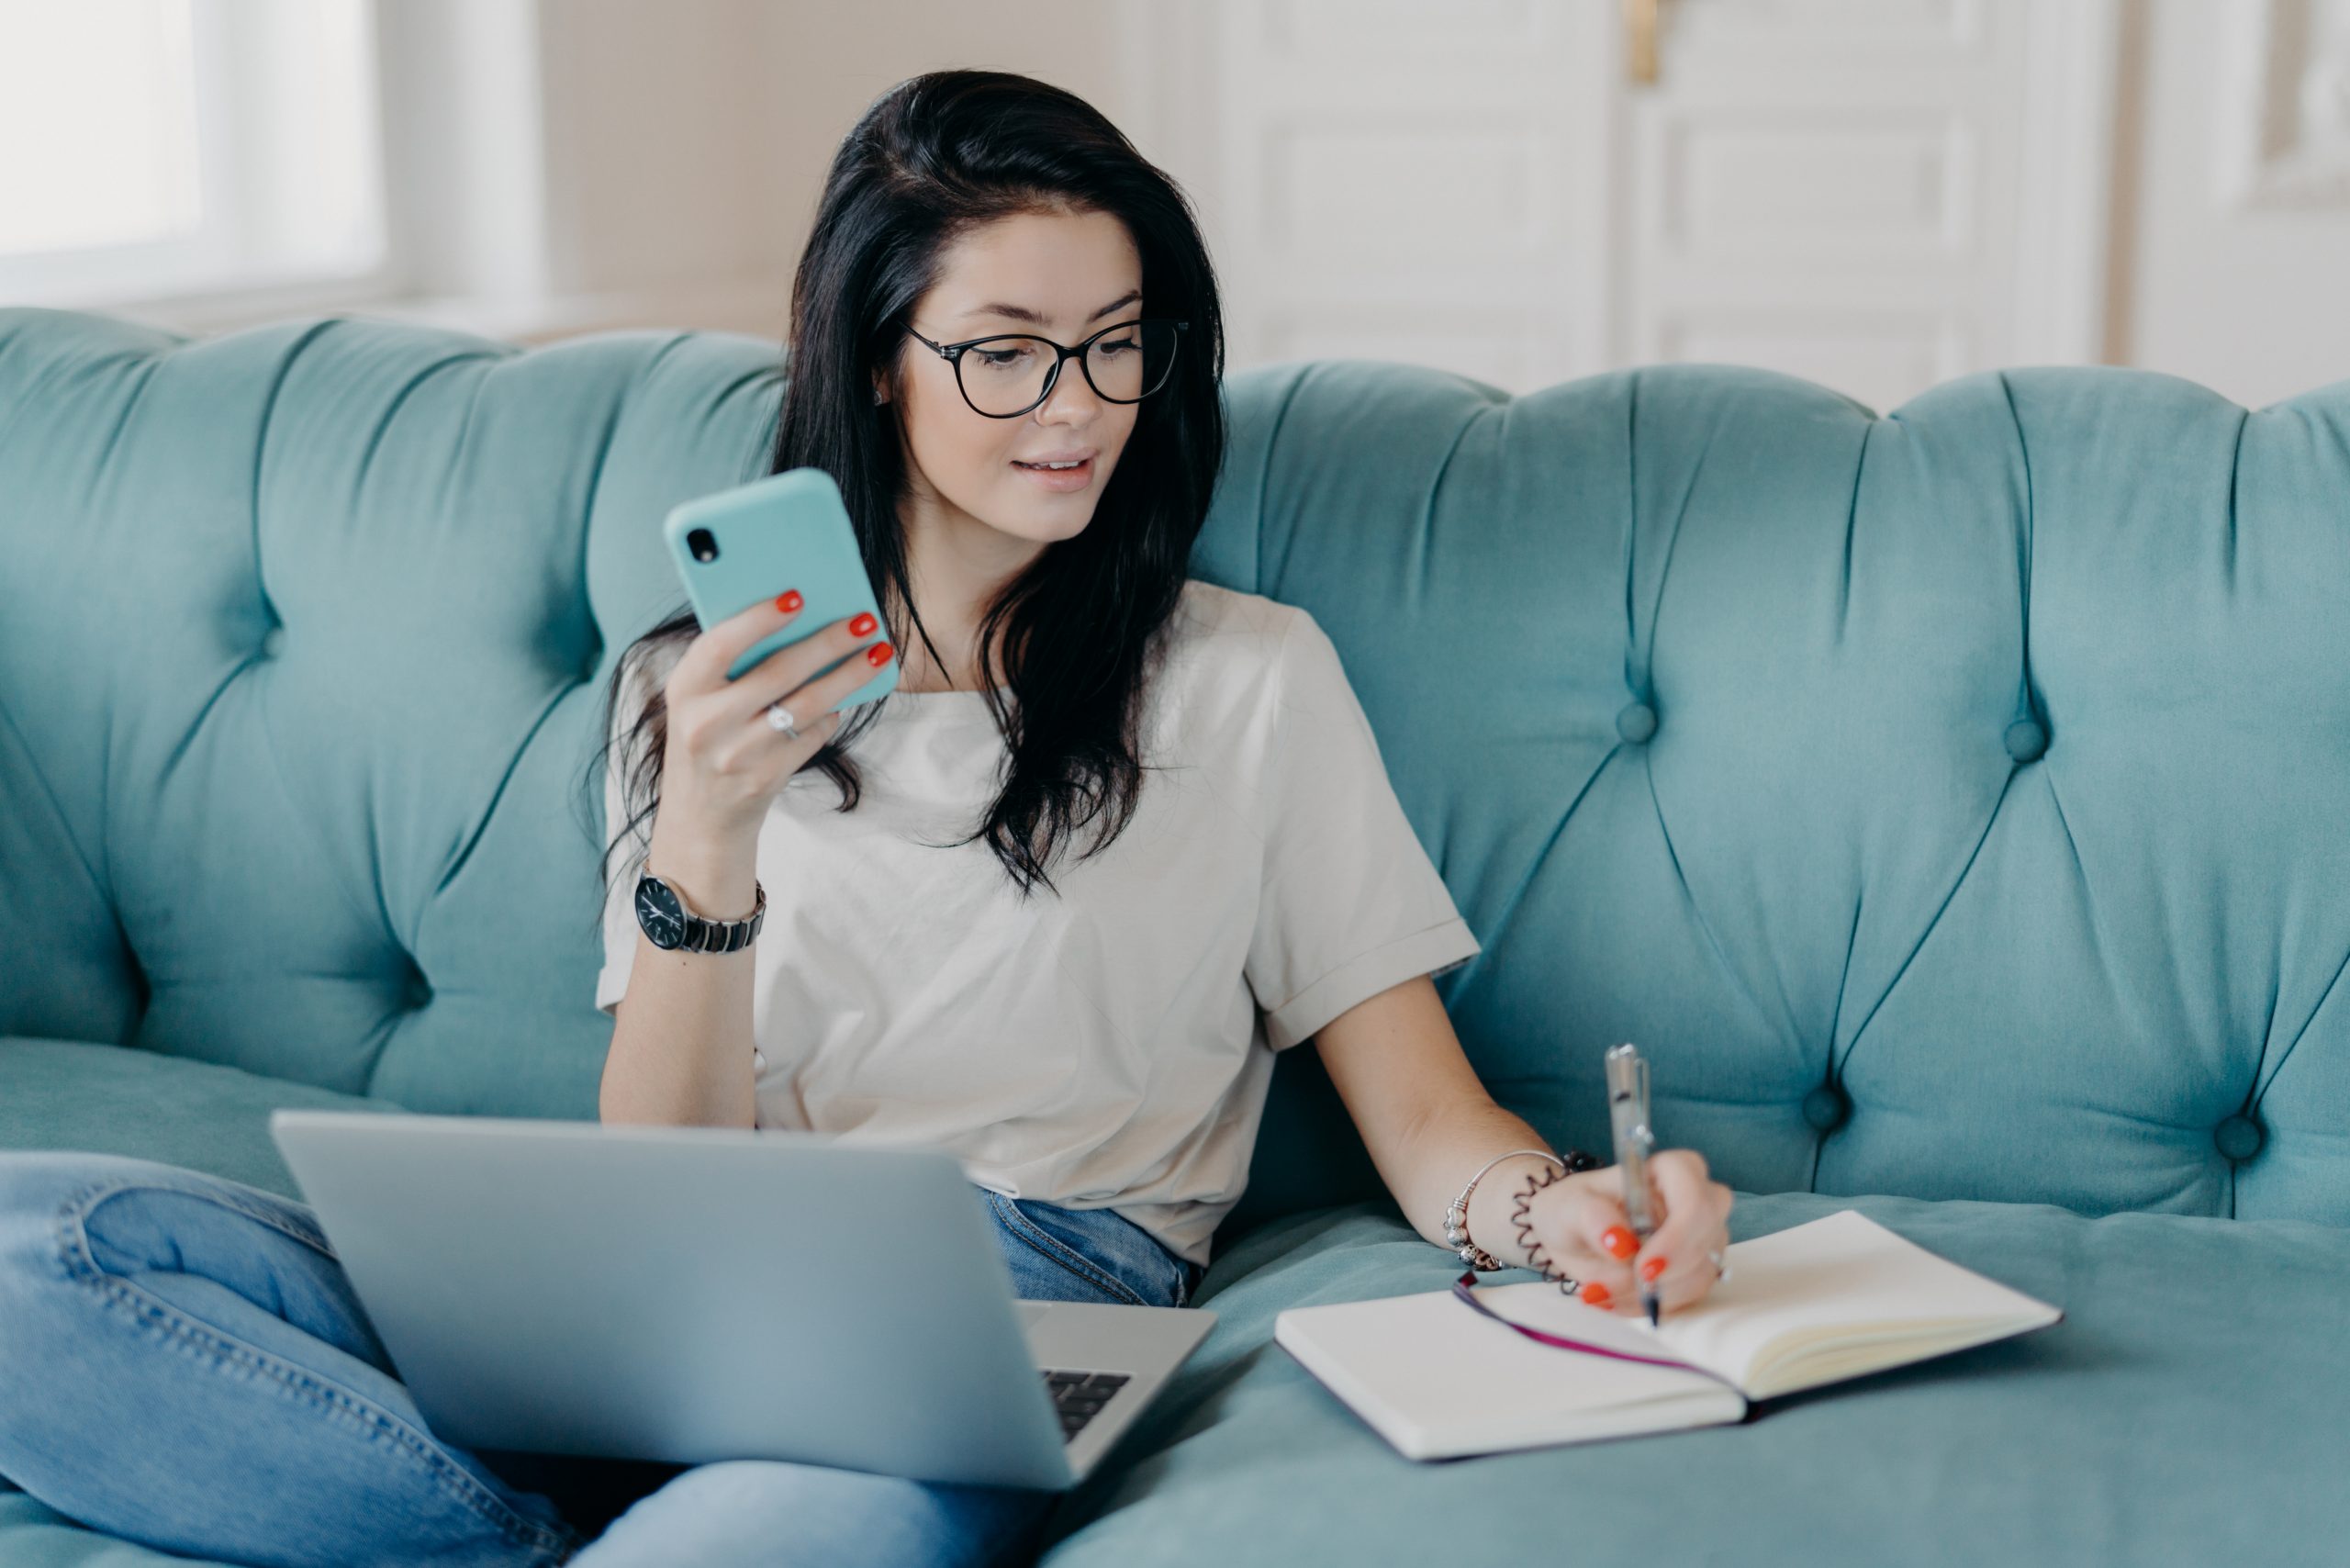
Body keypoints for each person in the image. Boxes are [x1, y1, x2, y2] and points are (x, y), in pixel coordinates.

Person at [0, 68, 1734, 1568]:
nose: (1077, 409)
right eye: (1004, 354)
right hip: (687, 1279)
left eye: (1119, 346)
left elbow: (1424, 1113)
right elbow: (666, 1178)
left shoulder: (1248, 681)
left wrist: (1556, 1214)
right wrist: (707, 839)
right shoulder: (700, 691)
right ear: (874, 359)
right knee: (31, 1260)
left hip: (1017, 1294)